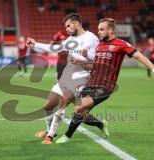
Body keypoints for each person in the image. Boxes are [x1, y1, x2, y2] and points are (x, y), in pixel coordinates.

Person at [55, 18, 154, 144]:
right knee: (81, 112)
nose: (99, 32)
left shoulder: (121, 44)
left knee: (79, 108)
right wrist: (82, 63)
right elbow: (96, 66)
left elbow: (139, 56)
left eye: (102, 29)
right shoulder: (99, 46)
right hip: (91, 83)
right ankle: (101, 125)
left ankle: (67, 136)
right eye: (98, 29)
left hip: (106, 86)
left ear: (110, 30)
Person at [27, 13, 108, 144]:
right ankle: (100, 124)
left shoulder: (91, 38)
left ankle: (50, 136)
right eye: (66, 27)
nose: (67, 29)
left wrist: (87, 56)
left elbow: (97, 61)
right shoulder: (70, 40)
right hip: (66, 76)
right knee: (48, 106)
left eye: (69, 26)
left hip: (82, 78)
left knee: (64, 102)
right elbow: (55, 48)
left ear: (77, 23)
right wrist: (35, 44)